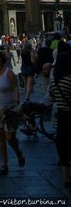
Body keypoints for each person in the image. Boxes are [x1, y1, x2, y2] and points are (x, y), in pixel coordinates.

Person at [49, 50, 71, 187]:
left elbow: (50, 98)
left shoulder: (54, 82)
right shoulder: (70, 80)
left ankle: (66, 177)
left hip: (61, 116)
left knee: (63, 145)